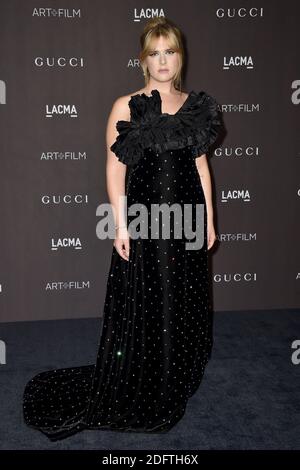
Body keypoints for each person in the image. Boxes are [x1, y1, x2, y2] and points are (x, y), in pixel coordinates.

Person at [23, 16, 222, 441]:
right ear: (143, 59)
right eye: (156, 52)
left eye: (170, 51)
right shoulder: (126, 105)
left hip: (186, 217)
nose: (163, 60)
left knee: (182, 297)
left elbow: (202, 169)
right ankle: (147, 373)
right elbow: (115, 172)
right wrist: (120, 223)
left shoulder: (196, 106)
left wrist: (208, 221)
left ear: (180, 56)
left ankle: (175, 371)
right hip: (146, 220)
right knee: (151, 297)